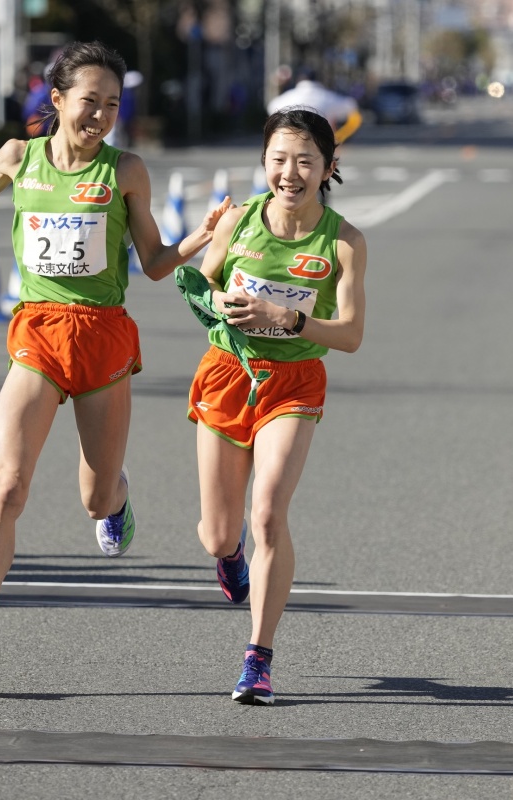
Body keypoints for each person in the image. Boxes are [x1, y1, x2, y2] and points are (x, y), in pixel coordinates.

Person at [0, 40, 232, 684]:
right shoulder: (20, 156)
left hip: (102, 338)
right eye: (89, 102)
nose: (99, 116)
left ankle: (118, 500)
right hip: (38, 332)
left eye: (112, 105)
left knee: (94, 499)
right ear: (57, 100)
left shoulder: (126, 171)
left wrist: (196, 241)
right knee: (8, 485)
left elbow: (152, 263)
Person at [183, 108, 367, 705]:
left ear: (329, 168)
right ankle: (229, 554)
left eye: (306, 161)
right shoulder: (238, 220)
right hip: (227, 373)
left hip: (294, 382)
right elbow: (201, 283)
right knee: (218, 534)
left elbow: (351, 334)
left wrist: (286, 318)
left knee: (267, 515)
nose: (291, 173)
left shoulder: (344, 242)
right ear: (264, 163)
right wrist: (220, 303)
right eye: (279, 160)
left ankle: (257, 659)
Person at [267, 69, 362, 144]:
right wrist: (340, 136)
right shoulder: (327, 97)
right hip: (320, 141)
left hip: (288, 139)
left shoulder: (286, 98)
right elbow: (351, 105)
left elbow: (271, 108)